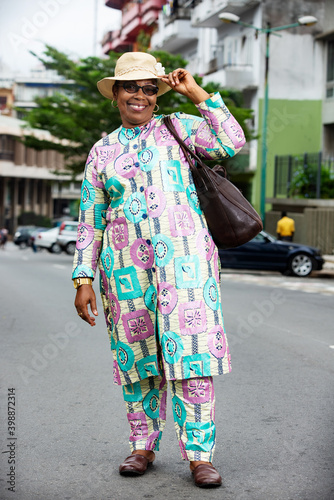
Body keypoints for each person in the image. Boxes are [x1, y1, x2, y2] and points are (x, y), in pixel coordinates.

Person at [72, 52, 246, 488]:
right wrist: (83, 277)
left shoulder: (180, 128)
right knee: (140, 364)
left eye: (150, 88)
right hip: (125, 273)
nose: (141, 95)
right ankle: (142, 446)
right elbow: (90, 218)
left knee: (192, 361)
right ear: (116, 93)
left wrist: (195, 93)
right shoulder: (102, 151)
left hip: (186, 268)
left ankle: (199, 458)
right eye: (131, 87)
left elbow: (231, 141)